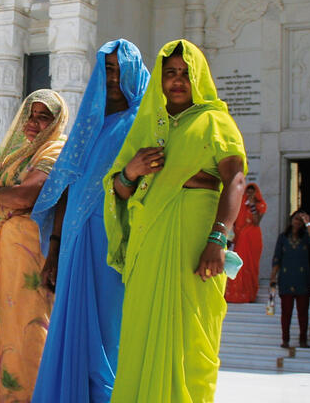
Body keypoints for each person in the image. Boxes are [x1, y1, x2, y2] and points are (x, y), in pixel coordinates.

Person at [105, 39, 247, 403]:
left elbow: (235, 179)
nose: (178, 80)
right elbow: (119, 192)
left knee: (192, 337)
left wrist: (218, 239)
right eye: (170, 73)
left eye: (186, 73)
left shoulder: (216, 121)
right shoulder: (146, 126)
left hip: (195, 242)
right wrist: (131, 171)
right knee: (141, 332)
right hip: (148, 241)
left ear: (199, 77)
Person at [30, 39, 148, 403]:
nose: (111, 78)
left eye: (117, 69)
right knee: (72, 331)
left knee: (111, 334)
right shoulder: (89, 123)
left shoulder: (143, 123)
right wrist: (53, 248)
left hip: (118, 244)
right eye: (105, 69)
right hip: (75, 244)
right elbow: (67, 189)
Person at [0, 89, 68, 402]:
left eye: (43, 116)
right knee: (2, 332)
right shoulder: (20, 155)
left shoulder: (53, 150)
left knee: (28, 333)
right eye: (30, 115)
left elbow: (24, 197)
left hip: (30, 256)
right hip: (2, 257)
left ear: (56, 122)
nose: (33, 123)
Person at [270, 211, 310, 348]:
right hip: (286, 278)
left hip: (303, 278)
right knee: (286, 312)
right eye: (295, 219)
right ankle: (285, 340)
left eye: (300, 220)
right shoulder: (283, 237)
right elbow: (277, 257)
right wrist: (273, 277)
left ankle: (303, 340)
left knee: (303, 312)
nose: (297, 222)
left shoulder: (306, 237)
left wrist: (308, 222)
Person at [225, 183, 268, 304]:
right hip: (240, 239)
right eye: (248, 191)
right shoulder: (239, 205)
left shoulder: (260, 205)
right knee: (239, 264)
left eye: (252, 192)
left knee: (250, 266)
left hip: (252, 238)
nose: (249, 194)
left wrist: (252, 205)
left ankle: (249, 294)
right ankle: (235, 294)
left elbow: (256, 222)